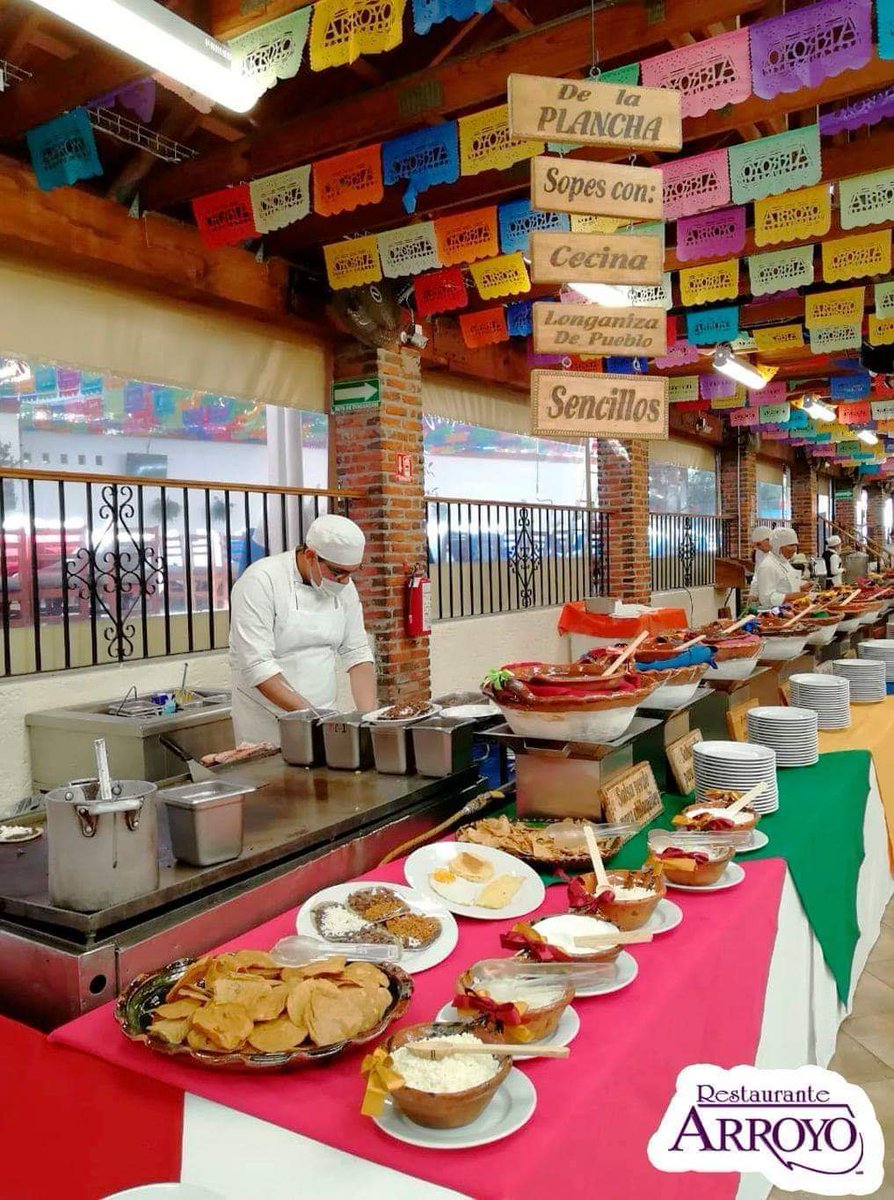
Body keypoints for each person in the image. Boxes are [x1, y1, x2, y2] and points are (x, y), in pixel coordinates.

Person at [228, 513, 377, 745]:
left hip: (324, 719)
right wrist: (315, 718)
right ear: (310, 555)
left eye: (352, 573)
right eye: (338, 572)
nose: (345, 581)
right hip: (267, 725)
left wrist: (368, 721)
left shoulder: (343, 588)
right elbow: (258, 667)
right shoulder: (260, 582)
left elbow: (357, 653)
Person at [753, 526, 813, 609]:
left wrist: (800, 587)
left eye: (795, 545)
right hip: (776, 614)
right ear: (779, 547)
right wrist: (792, 596)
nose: (795, 549)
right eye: (791, 545)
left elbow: (782, 586)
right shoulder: (768, 566)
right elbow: (766, 599)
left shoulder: (783, 561)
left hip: (790, 609)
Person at [746, 526, 773, 600]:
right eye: (756, 546)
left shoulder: (781, 551)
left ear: (768, 540)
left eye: (758, 544)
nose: (758, 548)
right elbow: (757, 575)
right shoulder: (760, 553)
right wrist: (753, 594)